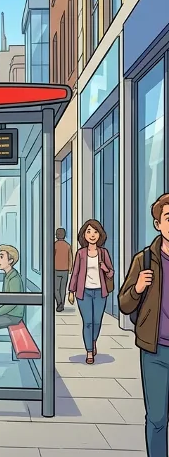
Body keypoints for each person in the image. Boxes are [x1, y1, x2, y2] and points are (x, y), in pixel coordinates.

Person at [120, 192, 169, 457]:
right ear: (158, 224)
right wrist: (138, 288)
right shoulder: (145, 260)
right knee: (158, 418)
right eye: (168, 218)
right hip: (155, 350)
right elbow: (125, 304)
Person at [68, 219, 114, 364]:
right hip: (84, 292)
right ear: (84, 235)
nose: (92, 235)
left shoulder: (104, 253)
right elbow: (75, 273)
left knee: (97, 321)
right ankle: (89, 351)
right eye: (88, 231)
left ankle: (93, 341)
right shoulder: (81, 253)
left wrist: (105, 268)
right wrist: (71, 291)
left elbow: (111, 273)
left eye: (95, 231)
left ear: (100, 235)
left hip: (100, 293)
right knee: (87, 322)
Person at [54, 228, 73, 312]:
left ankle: (59, 303)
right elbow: (70, 258)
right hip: (65, 270)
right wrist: (70, 269)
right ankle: (62, 303)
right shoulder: (68, 246)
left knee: (56, 289)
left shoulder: (54, 245)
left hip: (56, 269)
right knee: (63, 288)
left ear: (56, 235)